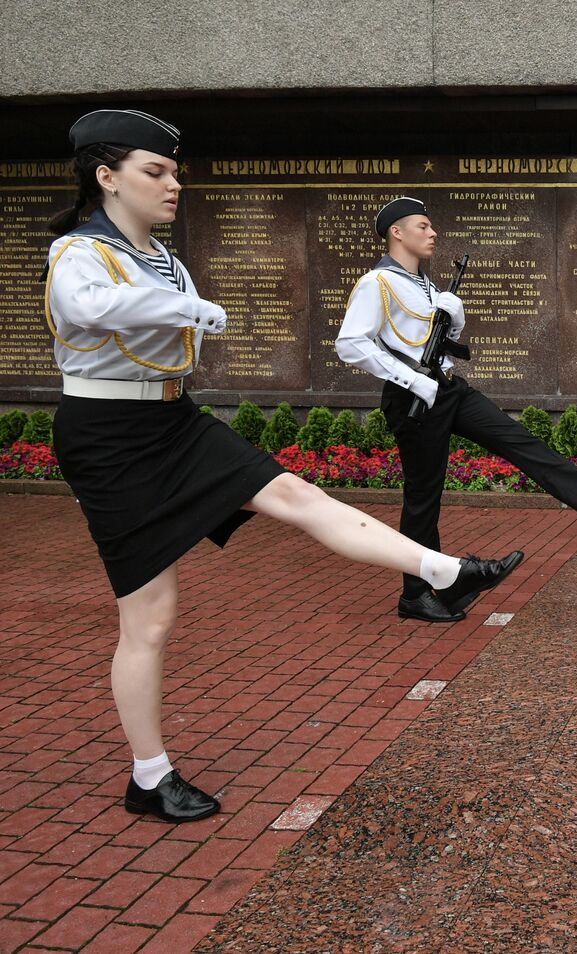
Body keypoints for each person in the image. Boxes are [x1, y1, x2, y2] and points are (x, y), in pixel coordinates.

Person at [46, 110, 521, 823]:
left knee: (297, 494)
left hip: (174, 418)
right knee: (150, 619)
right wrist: (190, 308)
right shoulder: (80, 252)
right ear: (106, 178)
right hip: (107, 435)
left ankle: (441, 571)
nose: (174, 182)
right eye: (156, 171)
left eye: (175, 170)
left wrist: (182, 300)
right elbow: (82, 308)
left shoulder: (163, 258)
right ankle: (149, 776)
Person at [335, 197, 577, 623]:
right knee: (422, 498)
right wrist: (415, 380)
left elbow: (439, 337)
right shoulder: (375, 283)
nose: (433, 234)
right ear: (396, 231)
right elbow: (350, 344)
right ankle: (415, 594)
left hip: (449, 388)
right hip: (414, 397)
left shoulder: (426, 284)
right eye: (423, 226)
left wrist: (455, 318)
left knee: (514, 437)